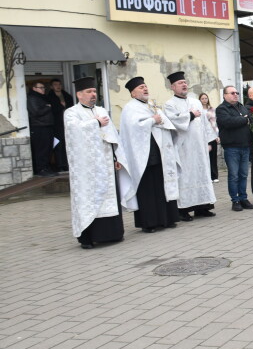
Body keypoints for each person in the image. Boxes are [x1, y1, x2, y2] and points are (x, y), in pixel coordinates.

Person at [64, 77, 127, 249]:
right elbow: (74, 131)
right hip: (86, 168)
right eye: (88, 92)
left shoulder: (101, 110)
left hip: (106, 163)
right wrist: (95, 123)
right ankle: (88, 237)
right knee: (89, 198)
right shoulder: (71, 113)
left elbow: (112, 135)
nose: (93, 94)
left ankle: (113, 234)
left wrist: (116, 157)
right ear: (79, 94)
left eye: (94, 91)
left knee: (109, 197)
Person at [119, 77, 181, 232]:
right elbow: (134, 128)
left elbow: (165, 122)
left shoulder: (152, 105)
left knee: (162, 186)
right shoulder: (130, 108)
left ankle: (167, 219)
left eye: (145, 86)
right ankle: (150, 223)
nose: (145, 89)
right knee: (147, 190)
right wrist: (152, 120)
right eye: (141, 87)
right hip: (143, 156)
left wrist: (160, 121)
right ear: (133, 93)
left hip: (160, 153)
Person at [164, 72, 216, 221]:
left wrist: (208, 141)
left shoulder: (196, 101)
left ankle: (202, 208)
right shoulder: (169, 104)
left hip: (199, 146)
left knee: (201, 174)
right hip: (183, 147)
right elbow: (173, 122)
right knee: (185, 177)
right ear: (173, 87)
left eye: (185, 82)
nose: (184, 85)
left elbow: (205, 123)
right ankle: (183, 210)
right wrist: (191, 115)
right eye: (180, 83)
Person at [216, 85, 253, 211]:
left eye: (237, 92)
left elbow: (251, 122)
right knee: (234, 175)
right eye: (232, 93)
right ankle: (235, 200)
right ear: (225, 95)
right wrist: (243, 120)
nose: (235, 95)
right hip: (231, 147)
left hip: (245, 146)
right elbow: (228, 123)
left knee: (243, 174)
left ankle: (243, 198)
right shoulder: (221, 109)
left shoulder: (243, 107)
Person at [27, 81, 56, 177]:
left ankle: (46, 168)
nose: (43, 89)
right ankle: (42, 169)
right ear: (34, 88)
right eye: (41, 87)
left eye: (44, 87)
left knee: (47, 148)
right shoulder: (32, 98)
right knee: (42, 149)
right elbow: (36, 112)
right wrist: (47, 107)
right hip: (39, 127)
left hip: (47, 126)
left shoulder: (43, 98)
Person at [46, 78, 73, 172]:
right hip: (56, 125)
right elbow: (51, 110)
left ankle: (68, 164)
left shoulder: (67, 96)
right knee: (58, 145)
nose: (58, 86)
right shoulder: (49, 97)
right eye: (55, 85)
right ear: (51, 87)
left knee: (68, 145)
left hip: (68, 124)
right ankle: (60, 164)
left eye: (59, 84)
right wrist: (61, 106)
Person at [199, 93, 220, 182]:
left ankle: (214, 176)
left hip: (212, 134)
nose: (204, 100)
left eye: (206, 98)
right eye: (202, 98)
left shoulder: (212, 109)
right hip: (202, 136)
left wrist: (217, 135)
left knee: (213, 156)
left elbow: (214, 123)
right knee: (204, 156)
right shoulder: (198, 110)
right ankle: (206, 176)